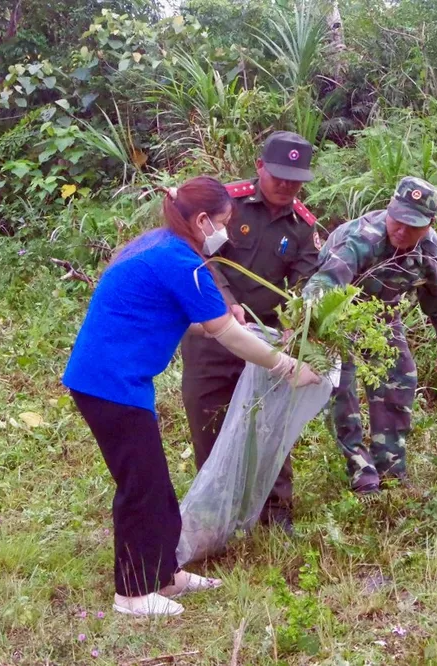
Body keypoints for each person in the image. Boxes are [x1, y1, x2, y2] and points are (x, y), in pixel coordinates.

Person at [62, 176, 320, 618]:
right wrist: (284, 365)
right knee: (140, 488)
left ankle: (166, 575)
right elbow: (227, 336)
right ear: (202, 220)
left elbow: (196, 321)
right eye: (221, 222)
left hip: (118, 379)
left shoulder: (161, 246)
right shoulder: (180, 261)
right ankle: (133, 593)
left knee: (157, 485)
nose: (223, 231)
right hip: (109, 384)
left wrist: (220, 317)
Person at [181, 131, 327, 533]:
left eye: (295, 179)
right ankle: (213, 515)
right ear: (260, 167)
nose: (286, 186)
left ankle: (276, 513)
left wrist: (303, 321)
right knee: (207, 419)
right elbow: (198, 255)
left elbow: (306, 283)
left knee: (272, 425)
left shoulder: (303, 227)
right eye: (279, 175)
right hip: (210, 334)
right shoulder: (225, 205)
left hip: (267, 340)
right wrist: (225, 299)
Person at [302, 176, 437, 494]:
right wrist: (307, 325)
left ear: (429, 225)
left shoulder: (429, 246)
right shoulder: (361, 238)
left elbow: (434, 291)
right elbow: (325, 285)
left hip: (383, 313)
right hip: (337, 312)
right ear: (390, 208)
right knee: (340, 386)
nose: (401, 230)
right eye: (398, 220)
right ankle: (360, 468)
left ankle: (390, 466)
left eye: (412, 225)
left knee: (401, 376)